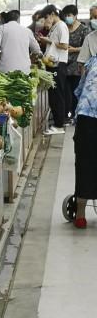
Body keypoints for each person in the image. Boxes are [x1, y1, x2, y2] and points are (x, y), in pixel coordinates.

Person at [71, 53, 97, 229]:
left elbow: (79, 91)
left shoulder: (93, 61)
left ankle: (80, 215)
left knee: (84, 163)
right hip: (88, 115)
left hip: (87, 116)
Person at [36, 5, 69, 135]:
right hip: (52, 63)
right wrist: (46, 41)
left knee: (57, 95)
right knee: (53, 95)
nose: (45, 20)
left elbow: (65, 46)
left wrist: (49, 41)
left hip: (58, 65)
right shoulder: (55, 27)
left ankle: (59, 125)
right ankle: (57, 121)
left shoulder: (61, 26)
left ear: (52, 14)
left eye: (46, 17)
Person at [0, 9, 40, 75]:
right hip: (24, 71)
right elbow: (36, 50)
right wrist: (31, 58)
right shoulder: (27, 31)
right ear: (18, 19)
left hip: (5, 70)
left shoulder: (1, 28)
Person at [62, 4, 89, 120]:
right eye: (66, 15)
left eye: (69, 15)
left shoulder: (83, 29)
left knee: (76, 91)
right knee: (66, 92)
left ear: (75, 15)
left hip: (77, 66)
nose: (67, 18)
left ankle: (76, 114)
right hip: (64, 64)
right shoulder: (64, 28)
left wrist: (74, 49)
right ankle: (68, 114)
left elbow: (87, 47)